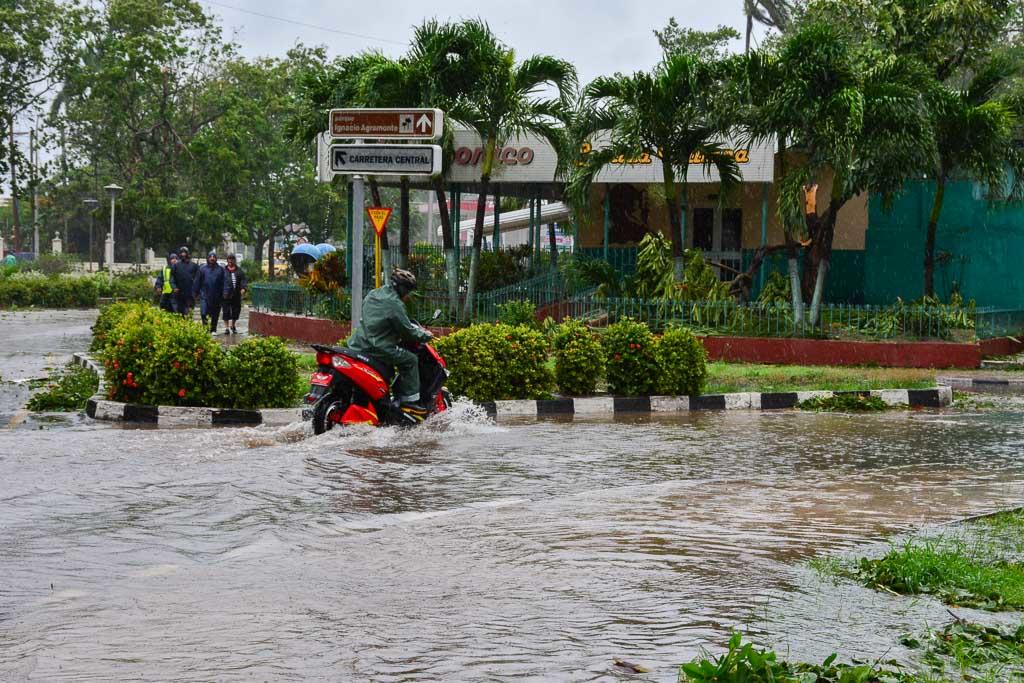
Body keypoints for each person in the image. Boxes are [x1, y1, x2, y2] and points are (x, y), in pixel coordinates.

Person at [347, 269, 433, 423]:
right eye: (408, 291)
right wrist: (426, 335)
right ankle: (410, 403)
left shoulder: (374, 294)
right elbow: (407, 331)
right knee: (410, 360)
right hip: (380, 348)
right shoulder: (395, 303)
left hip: (359, 344)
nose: (408, 295)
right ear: (402, 288)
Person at [193, 251, 225, 333]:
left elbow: (224, 282)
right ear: (208, 258)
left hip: (216, 295)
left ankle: (213, 329)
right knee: (203, 313)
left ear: (216, 259)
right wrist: (195, 293)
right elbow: (197, 281)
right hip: (204, 295)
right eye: (210, 257)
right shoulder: (202, 269)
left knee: (215, 314)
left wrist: (225, 292)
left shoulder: (220, 269)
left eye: (214, 257)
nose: (212, 258)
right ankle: (205, 328)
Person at [221, 254, 247, 334]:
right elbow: (219, 281)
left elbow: (243, 280)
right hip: (225, 294)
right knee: (226, 311)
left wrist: (243, 288)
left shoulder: (239, 271)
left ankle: (233, 325)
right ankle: (226, 328)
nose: (231, 261)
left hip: (236, 295)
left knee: (236, 311)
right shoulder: (223, 270)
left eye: (232, 259)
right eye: (229, 259)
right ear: (227, 260)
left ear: (234, 260)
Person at [172, 246, 199, 318]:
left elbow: (198, 279)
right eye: (182, 253)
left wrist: (197, 291)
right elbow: (172, 278)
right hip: (179, 293)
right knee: (181, 313)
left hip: (190, 293)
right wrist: (174, 287)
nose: (183, 254)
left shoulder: (194, 266)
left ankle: (188, 326)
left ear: (187, 254)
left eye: (184, 253)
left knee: (189, 312)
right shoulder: (176, 266)